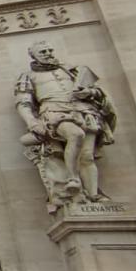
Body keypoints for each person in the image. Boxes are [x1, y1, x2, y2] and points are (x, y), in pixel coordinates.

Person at [16, 40, 116, 211]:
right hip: (54, 113)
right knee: (75, 135)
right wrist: (32, 123)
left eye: (49, 50)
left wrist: (89, 92)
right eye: (43, 52)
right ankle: (72, 179)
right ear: (34, 56)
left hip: (84, 112)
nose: (48, 53)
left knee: (87, 156)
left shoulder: (71, 69)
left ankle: (93, 196)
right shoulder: (28, 76)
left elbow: (97, 91)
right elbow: (23, 103)